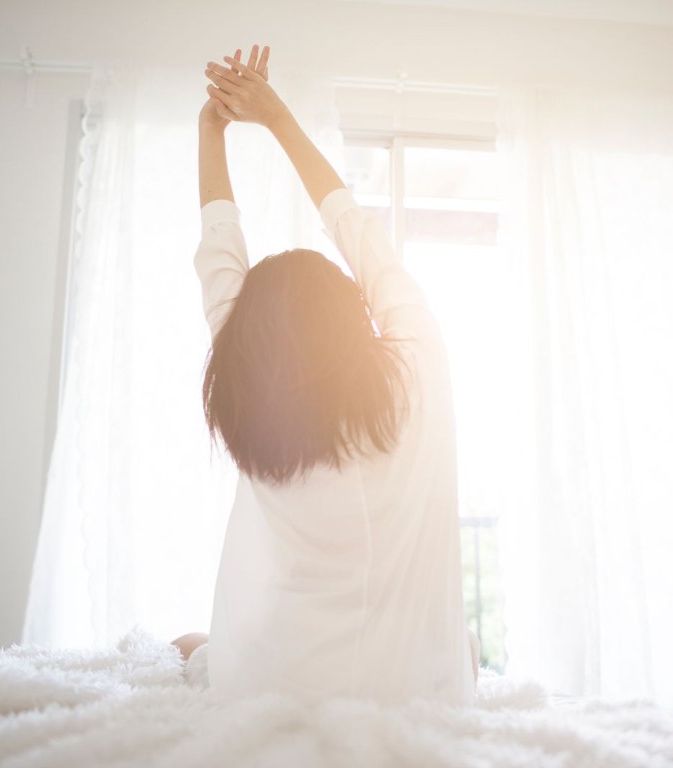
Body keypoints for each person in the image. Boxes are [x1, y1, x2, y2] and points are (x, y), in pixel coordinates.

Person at [171, 44, 481, 706]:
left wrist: (211, 130)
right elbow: (357, 230)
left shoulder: (251, 396)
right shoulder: (418, 370)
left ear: (248, 343)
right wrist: (277, 118)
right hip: (414, 692)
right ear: (356, 314)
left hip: (280, 686)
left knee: (186, 646)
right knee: (467, 649)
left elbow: (218, 255)